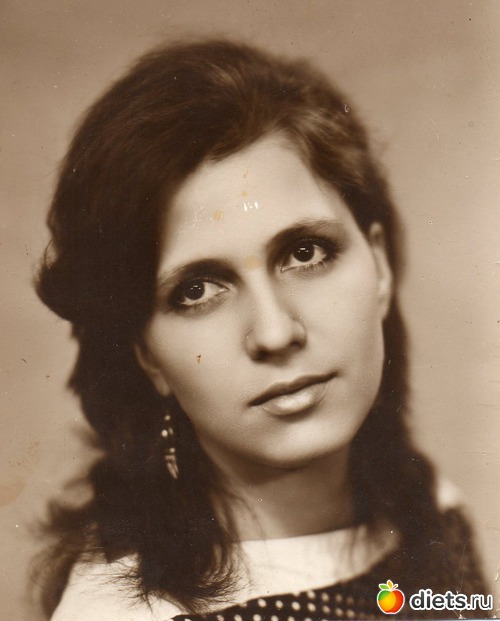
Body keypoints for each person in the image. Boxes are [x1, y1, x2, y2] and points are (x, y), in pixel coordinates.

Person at [35, 39, 487, 620]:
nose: (275, 333)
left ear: (378, 266)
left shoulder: (427, 508)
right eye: (197, 290)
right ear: (145, 352)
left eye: (305, 253)